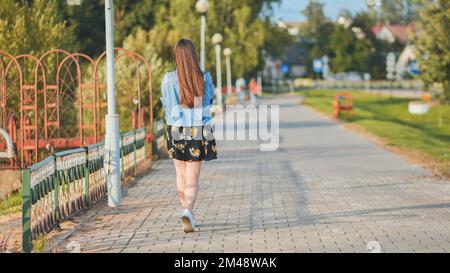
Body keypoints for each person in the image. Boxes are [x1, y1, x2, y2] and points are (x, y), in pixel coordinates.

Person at [160, 39, 218, 233]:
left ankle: (186, 211)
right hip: (199, 128)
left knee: (181, 174)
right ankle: (188, 211)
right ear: (194, 55)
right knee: (193, 175)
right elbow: (208, 101)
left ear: (177, 56)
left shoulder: (168, 79)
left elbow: (167, 107)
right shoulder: (205, 78)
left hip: (176, 129)